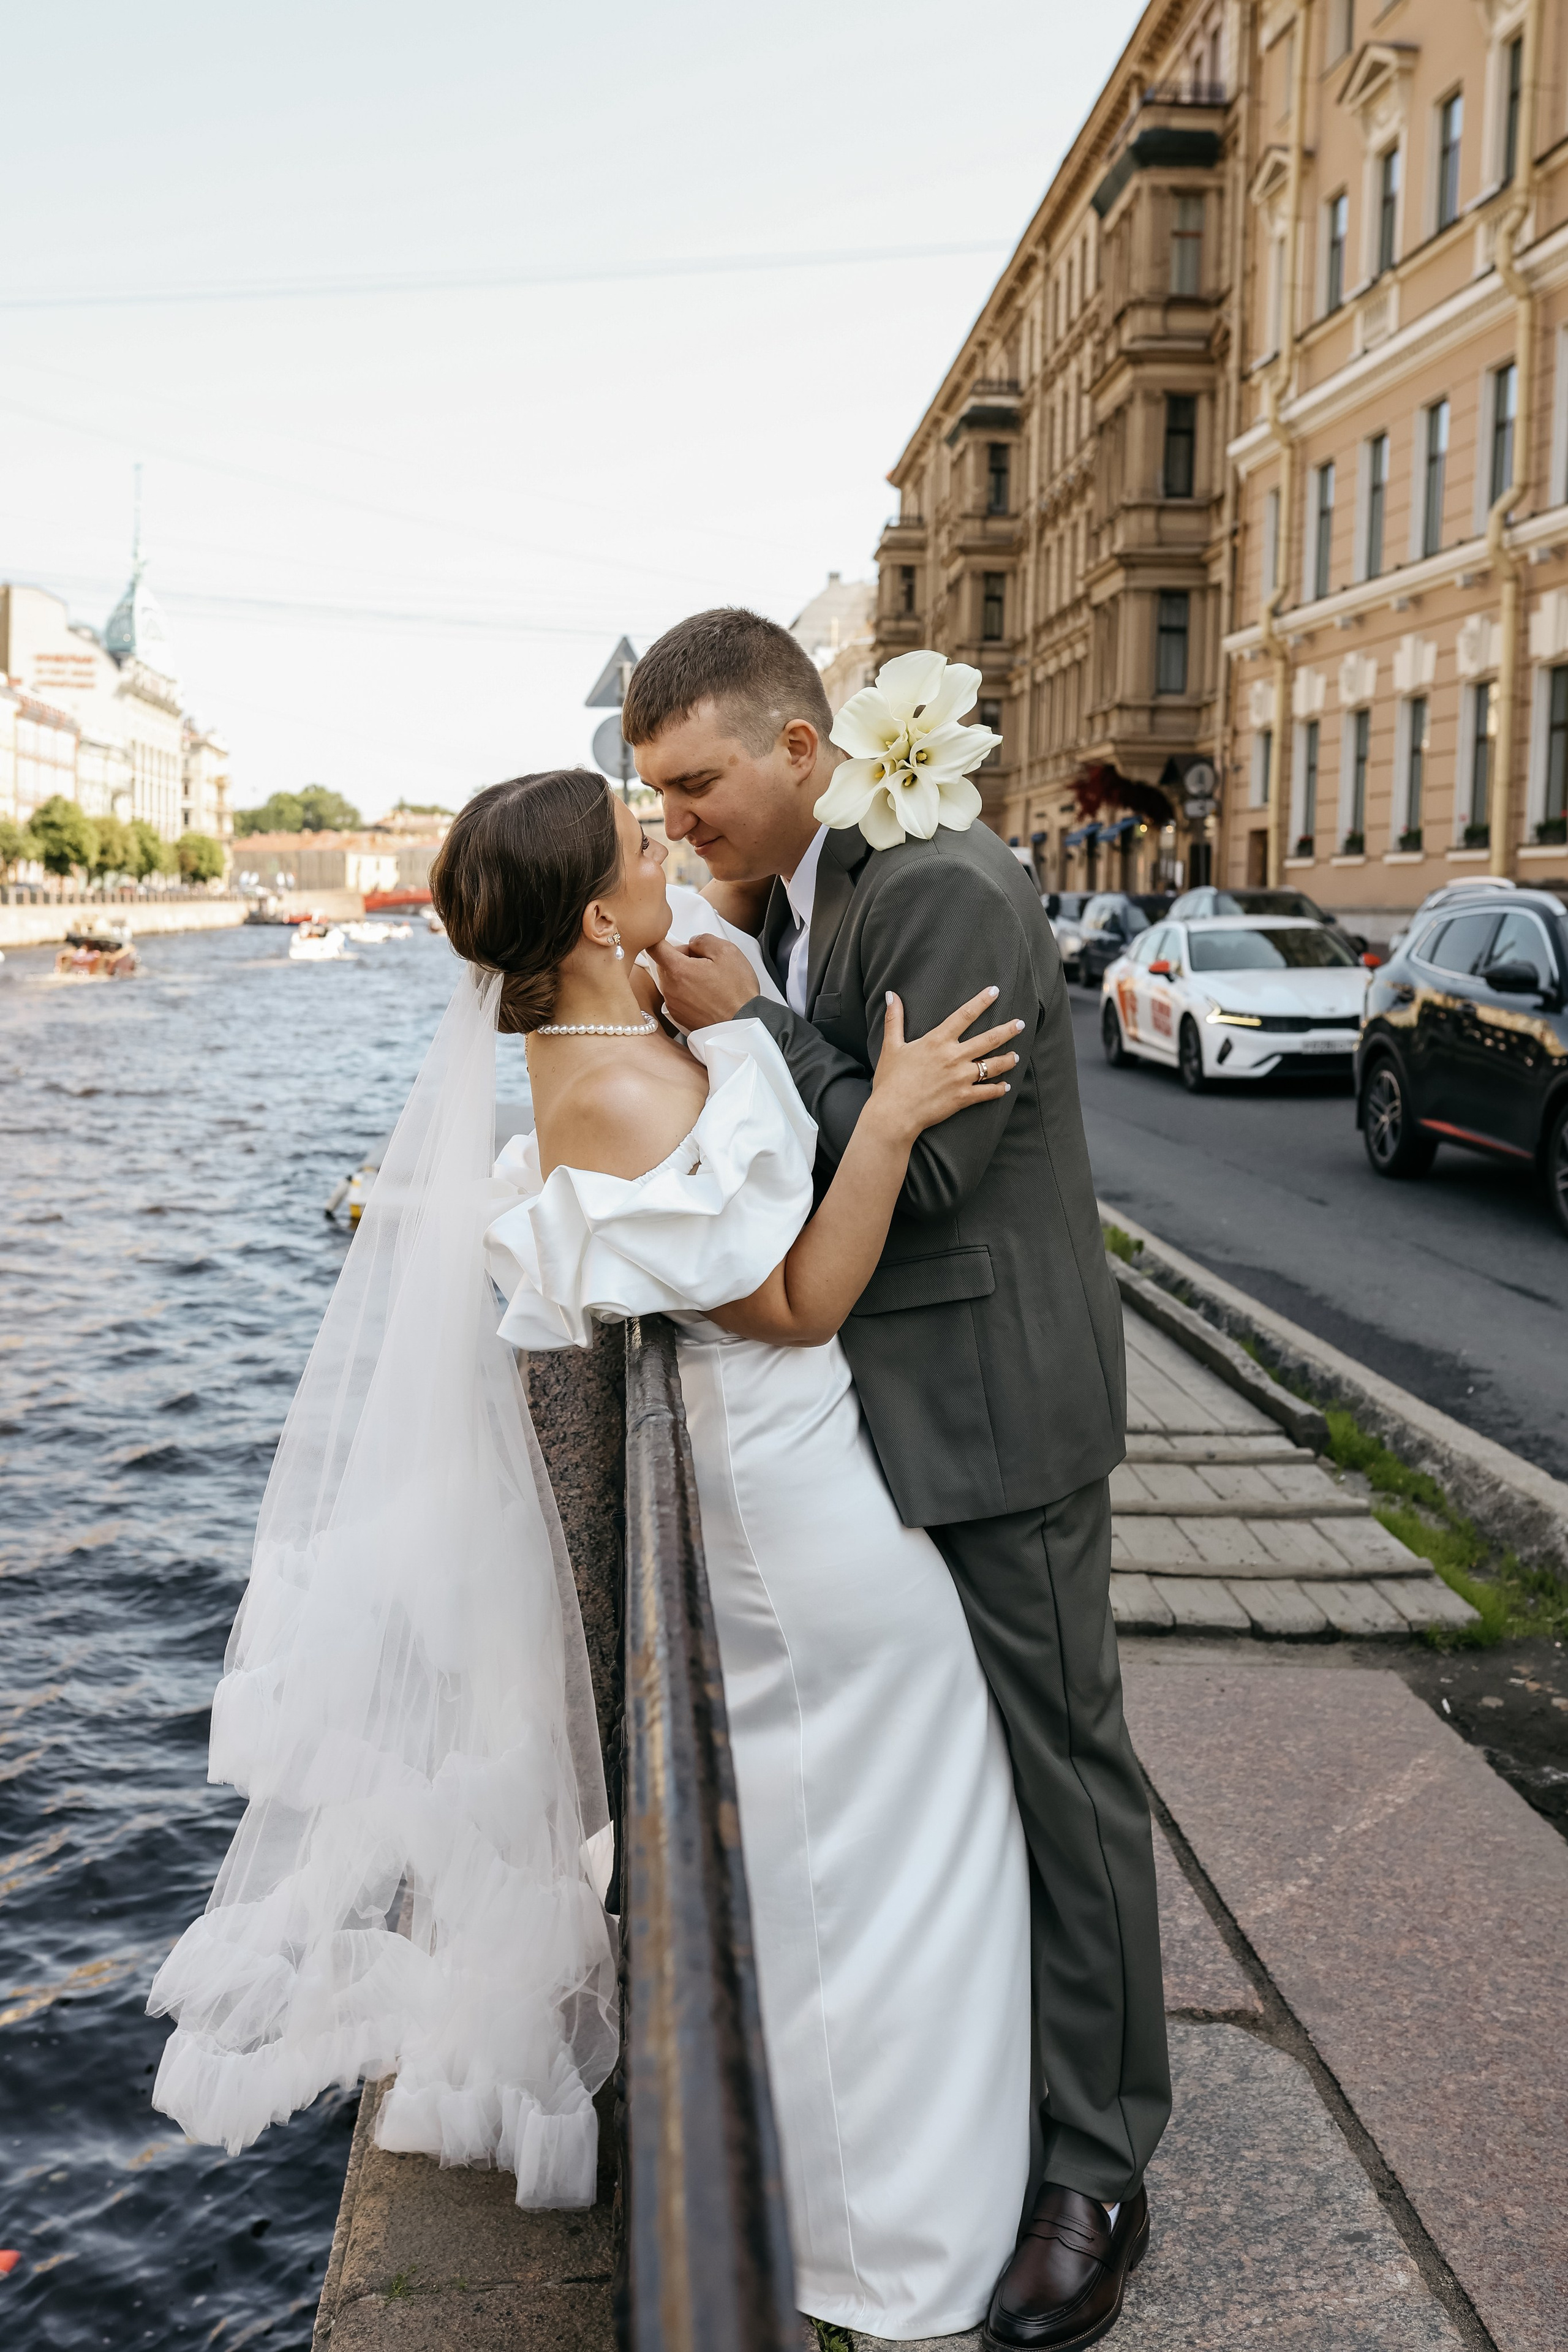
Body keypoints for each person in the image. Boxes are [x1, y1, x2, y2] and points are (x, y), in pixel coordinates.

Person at [625, 608, 1170, 2351]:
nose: (680, 821)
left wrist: (752, 1027)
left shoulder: (937, 887)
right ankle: (1015, 2110)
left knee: (1067, 1781)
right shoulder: (827, 895)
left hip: (996, 1412)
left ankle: (1097, 2172)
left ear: (802, 749)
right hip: (905, 1409)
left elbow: (927, 1183)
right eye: (657, 793)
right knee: (995, 1776)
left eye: (697, 783)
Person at [448, 771, 1036, 2340]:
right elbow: (794, 1304)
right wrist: (891, 1114)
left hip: (782, 1462)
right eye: (644, 849)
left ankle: (877, 2212)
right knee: (895, 1838)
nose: (671, 854)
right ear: (590, 913)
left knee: (870, 1834)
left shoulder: (601, 1037)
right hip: (789, 1486)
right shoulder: (619, 1091)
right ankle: (881, 2247)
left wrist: (729, 1017)